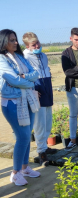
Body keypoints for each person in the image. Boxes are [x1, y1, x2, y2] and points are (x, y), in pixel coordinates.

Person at [0, 29, 40, 186]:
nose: (16, 43)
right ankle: (15, 173)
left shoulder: (20, 57)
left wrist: (24, 78)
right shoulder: (2, 59)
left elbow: (35, 73)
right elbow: (14, 80)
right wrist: (29, 82)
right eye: (12, 40)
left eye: (15, 40)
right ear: (3, 42)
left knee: (26, 134)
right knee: (22, 136)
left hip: (27, 100)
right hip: (13, 102)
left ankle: (25, 168)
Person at [22, 32, 56, 166]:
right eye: (33, 44)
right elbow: (24, 76)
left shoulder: (43, 55)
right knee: (39, 121)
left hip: (47, 85)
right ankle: (41, 151)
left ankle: (45, 145)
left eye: (38, 43)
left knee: (48, 119)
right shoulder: (25, 57)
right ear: (27, 46)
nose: (37, 46)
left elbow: (46, 69)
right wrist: (32, 89)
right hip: (37, 88)